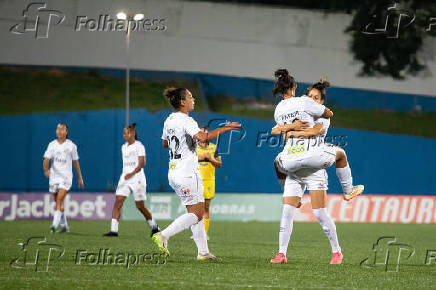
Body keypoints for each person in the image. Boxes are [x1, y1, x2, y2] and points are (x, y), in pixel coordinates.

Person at [269, 70, 362, 265]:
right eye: (310, 96)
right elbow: (282, 133)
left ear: (320, 101)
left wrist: (290, 131)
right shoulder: (303, 106)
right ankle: (281, 253)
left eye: (316, 97)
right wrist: (289, 129)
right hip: (297, 167)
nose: (311, 98)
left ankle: (337, 252)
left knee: (319, 213)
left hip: (313, 168)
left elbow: (315, 130)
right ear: (297, 90)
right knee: (287, 211)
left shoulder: (320, 116)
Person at [152, 87, 240, 261]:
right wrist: (226, 128)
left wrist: (186, 143)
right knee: (198, 214)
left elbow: (164, 143)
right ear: (182, 101)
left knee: (195, 211)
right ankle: (164, 235)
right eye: (191, 97)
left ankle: (203, 252)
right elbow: (204, 138)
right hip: (188, 172)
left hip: (174, 172)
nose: (194, 100)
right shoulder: (187, 120)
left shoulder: (169, 120)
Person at [104, 123, 159, 237]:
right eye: (123, 133)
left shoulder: (139, 146)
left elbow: (142, 163)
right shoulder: (123, 147)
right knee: (118, 202)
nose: (124, 135)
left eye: (126, 133)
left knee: (140, 206)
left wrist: (132, 173)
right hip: (125, 178)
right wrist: (127, 175)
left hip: (137, 178)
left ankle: (154, 227)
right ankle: (114, 231)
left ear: (133, 134)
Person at [43, 123, 84, 233]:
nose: (60, 131)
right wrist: (46, 170)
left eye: (62, 129)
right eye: (58, 129)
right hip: (54, 177)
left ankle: (54, 225)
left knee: (60, 199)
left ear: (66, 132)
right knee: (57, 202)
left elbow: (76, 162)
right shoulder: (52, 145)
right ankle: (65, 226)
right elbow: (46, 158)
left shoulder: (71, 146)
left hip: (66, 177)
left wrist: (80, 178)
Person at [196, 127, 222, 239]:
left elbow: (219, 164)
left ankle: (204, 233)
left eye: (206, 134)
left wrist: (211, 159)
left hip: (208, 180)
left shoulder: (213, 147)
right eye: (202, 133)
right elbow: (188, 160)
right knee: (196, 208)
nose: (204, 136)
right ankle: (196, 232)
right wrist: (202, 157)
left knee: (206, 208)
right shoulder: (193, 147)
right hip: (195, 180)